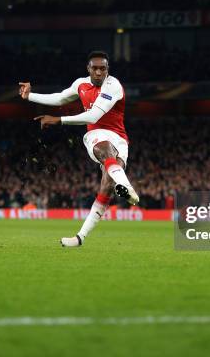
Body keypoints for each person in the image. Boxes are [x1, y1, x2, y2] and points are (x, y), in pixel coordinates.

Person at [19, 51, 138, 247]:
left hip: (120, 138)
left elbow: (92, 115)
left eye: (103, 69)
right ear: (88, 69)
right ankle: (127, 186)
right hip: (95, 135)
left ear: (108, 70)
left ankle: (79, 238)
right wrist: (29, 96)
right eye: (95, 68)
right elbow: (59, 98)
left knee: (107, 186)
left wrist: (58, 120)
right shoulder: (80, 84)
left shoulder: (113, 85)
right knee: (105, 148)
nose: (99, 72)